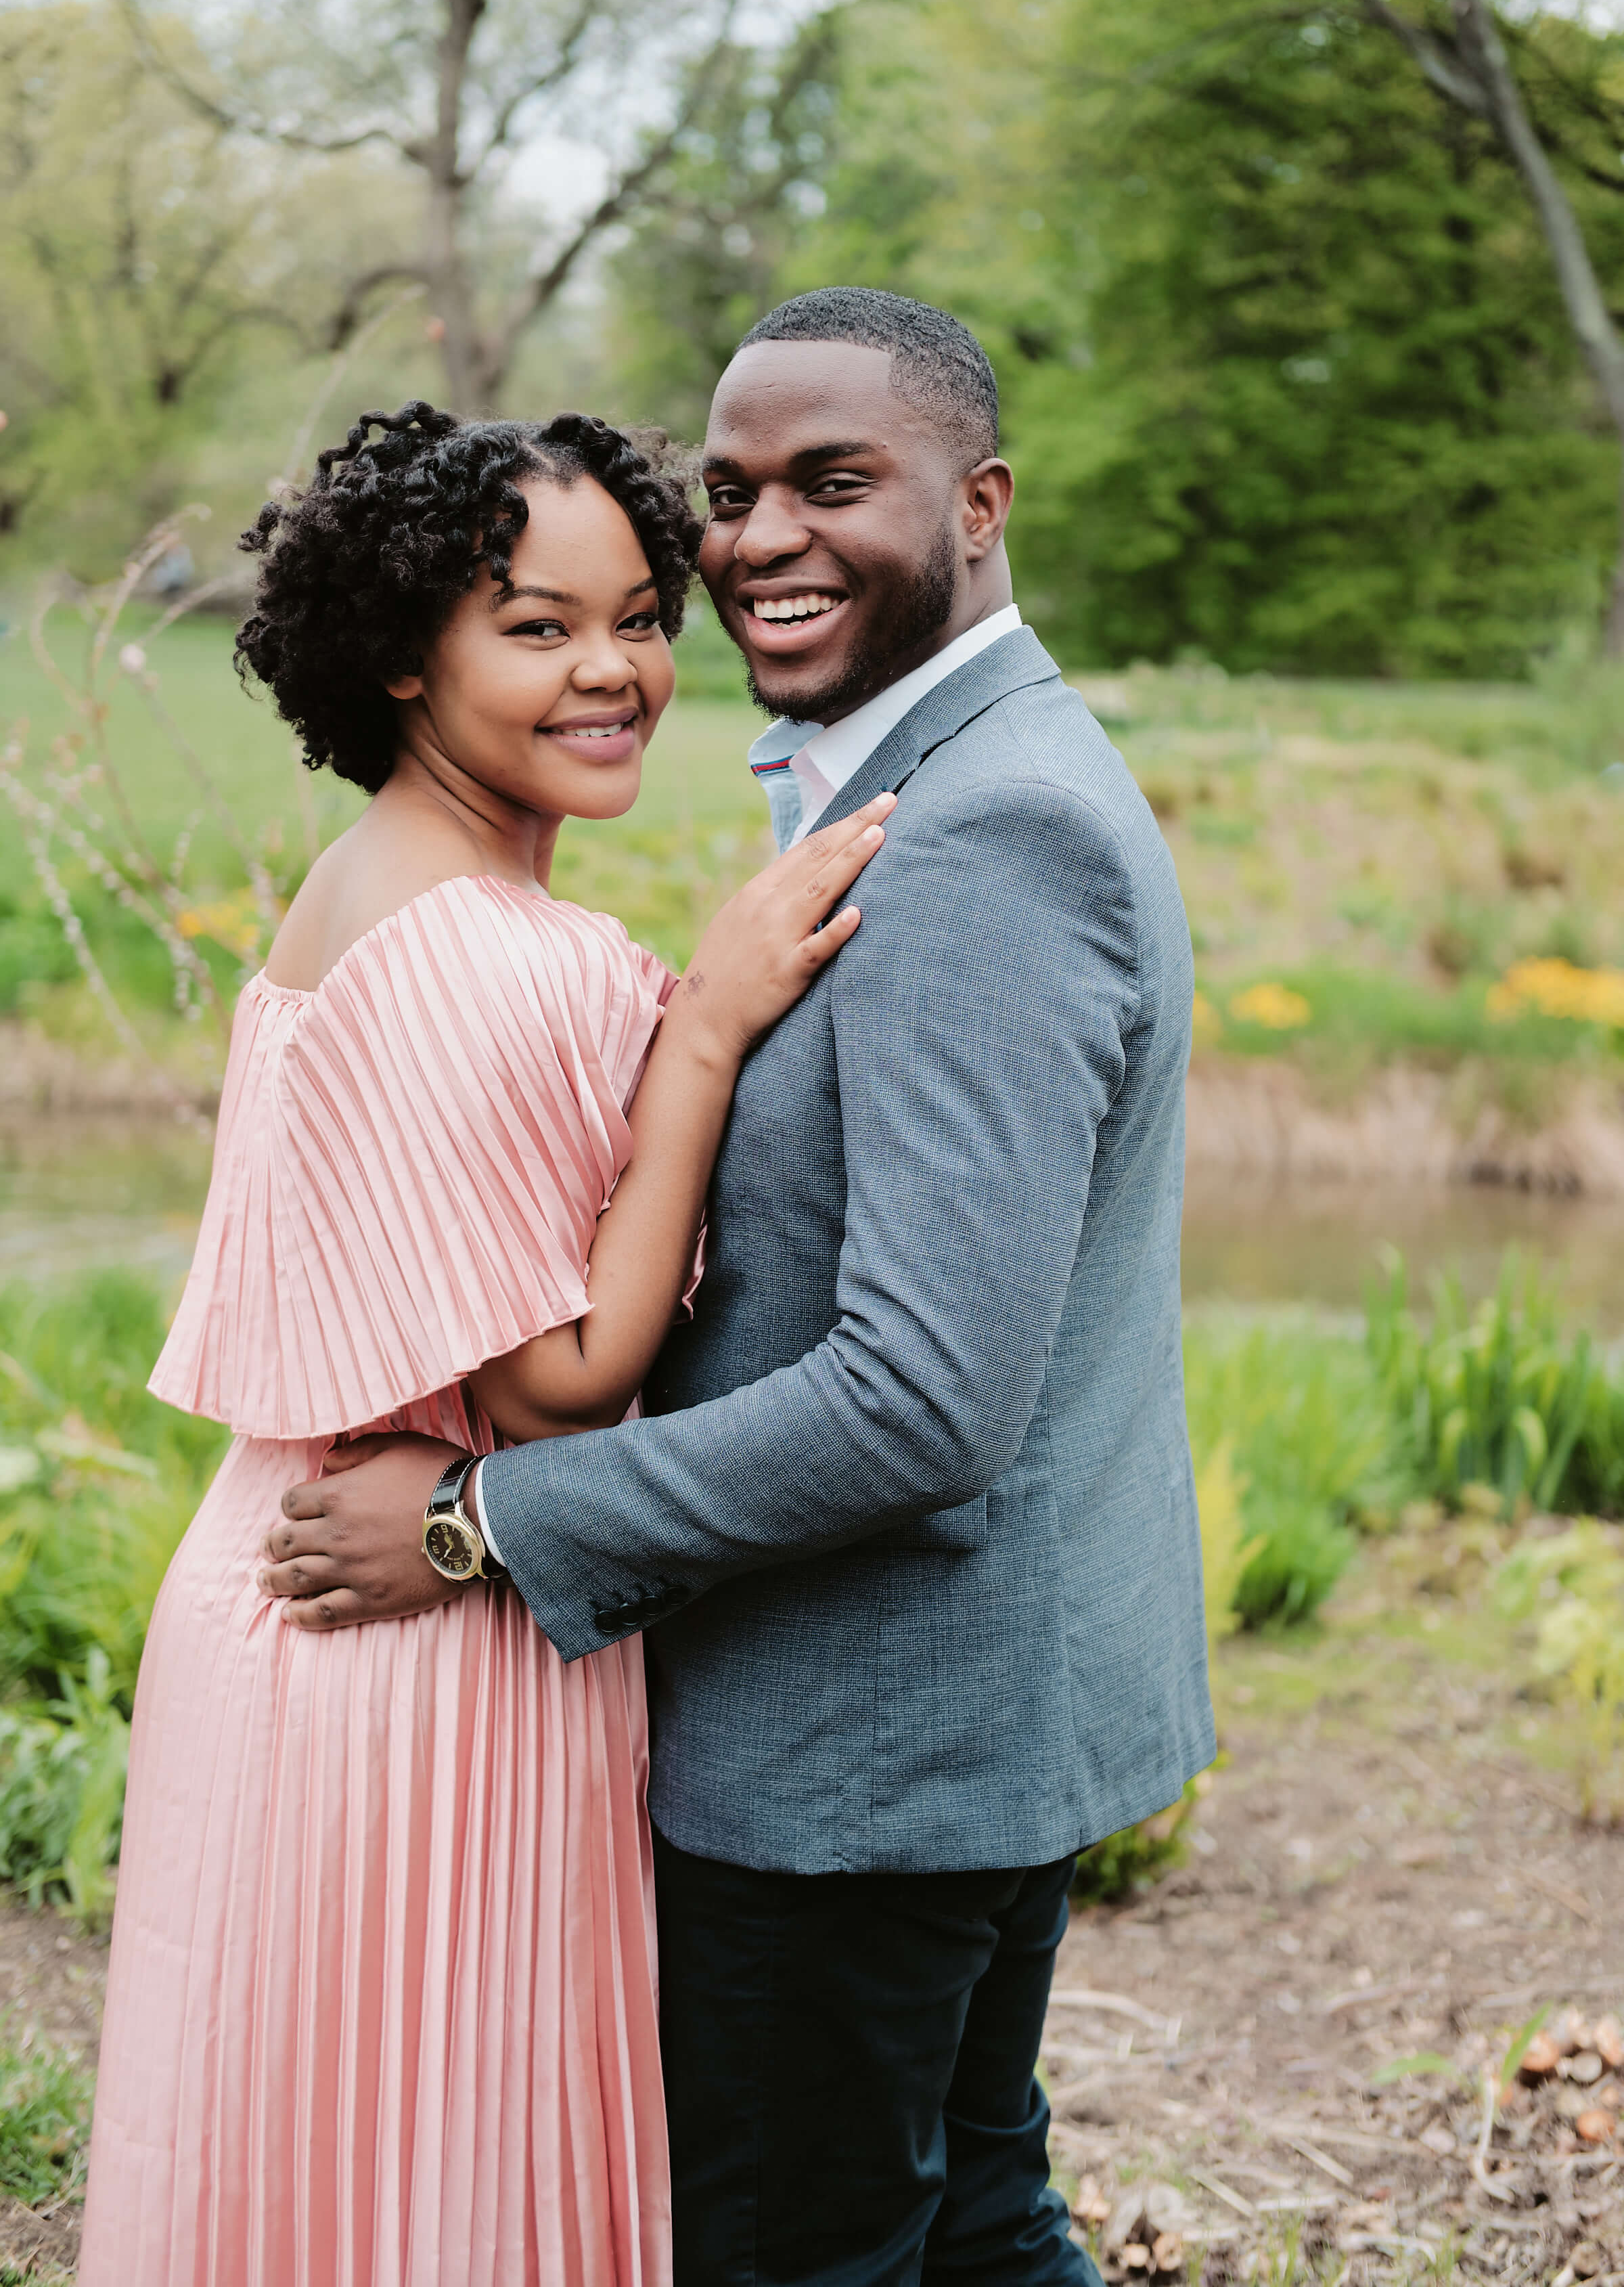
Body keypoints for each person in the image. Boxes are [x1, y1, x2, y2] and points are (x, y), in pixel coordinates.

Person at [264, 288, 1217, 2286]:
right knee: (966, 2221)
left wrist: (472, 1519)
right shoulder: (932, 776)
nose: (761, 536)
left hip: (865, 1756)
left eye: (832, 484)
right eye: (735, 491)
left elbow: (921, 1399)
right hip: (945, 1723)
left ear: (981, 499)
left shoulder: (991, 832)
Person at [78, 400, 895, 2287]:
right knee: (433, 2180)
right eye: (534, 627)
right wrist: (701, 1036)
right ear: (398, 653)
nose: (610, 671)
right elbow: (558, 1379)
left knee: (309, 2179)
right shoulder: (493, 956)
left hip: (299, 1600)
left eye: (636, 617)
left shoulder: (379, 882)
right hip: (419, 1645)